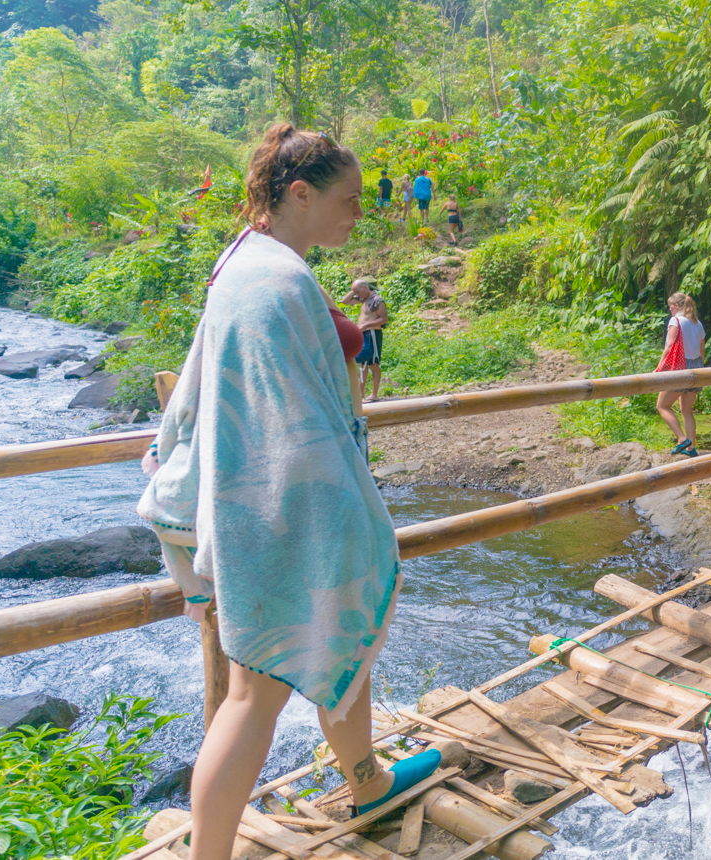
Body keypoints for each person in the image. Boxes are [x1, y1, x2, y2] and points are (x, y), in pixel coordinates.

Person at [139, 123, 446, 860]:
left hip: (253, 507)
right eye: (347, 200)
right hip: (281, 515)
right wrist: (353, 512)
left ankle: (369, 784)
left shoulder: (246, 264)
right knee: (252, 702)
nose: (357, 214)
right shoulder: (279, 280)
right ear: (300, 195)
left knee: (341, 649)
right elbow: (290, 427)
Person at [657, 292, 705, 456]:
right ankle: (691, 449)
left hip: (680, 367)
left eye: (670, 306)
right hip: (696, 368)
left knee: (662, 406)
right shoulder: (697, 323)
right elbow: (702, 351)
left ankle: (681, 439)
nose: (669, 309)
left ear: (677, 306)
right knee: (686, 410)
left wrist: (659, 368)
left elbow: (670, 346)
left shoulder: (675, 320)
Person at [344, 277, 388, 401]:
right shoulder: (363, 299)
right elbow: (345, 301)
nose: (357, 295)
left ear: (365, 287)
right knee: (362, 363)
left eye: (358, 292)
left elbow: (384, 318)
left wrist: (366, 325)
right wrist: (354, 291)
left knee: (373, 363)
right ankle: (360, 393)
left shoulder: (377, 300)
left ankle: (374, 394)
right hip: (363, 334)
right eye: (356, 293)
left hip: (373, 333)